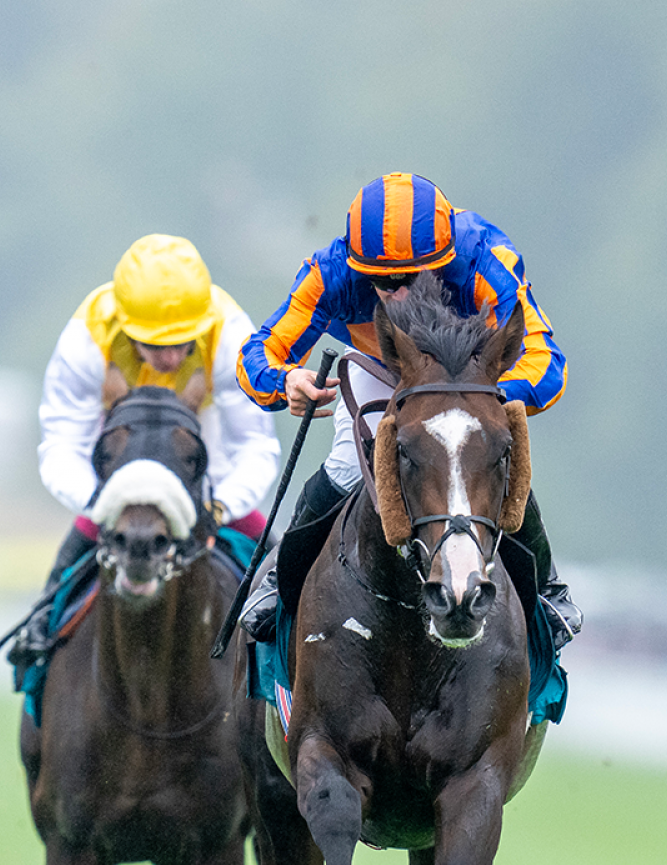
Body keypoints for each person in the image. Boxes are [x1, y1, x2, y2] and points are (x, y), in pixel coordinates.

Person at [235, 172, 578, 644]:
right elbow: (260, 351)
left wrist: (480, 398)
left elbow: (546, 362)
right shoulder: (331, 271)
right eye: (381, 282)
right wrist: (284, 381)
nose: (395, 294)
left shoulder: (486, 259)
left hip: (469, 378)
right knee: (345, 466)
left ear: (444, 260)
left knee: (487, 456)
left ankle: (546, 590)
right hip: (382, 369)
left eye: (407, 279)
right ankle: (279, 583)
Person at [13, 234, 281, 667]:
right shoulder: (87, 337)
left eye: (184, 342)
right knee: (74, 551)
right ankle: (40, 632)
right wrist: (101, 501)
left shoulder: (231, 334)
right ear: (125, 322)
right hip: (121, 454)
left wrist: (220, 505)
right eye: (156, 345)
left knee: (280, 557)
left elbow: (255, 446)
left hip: (199, 442)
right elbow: (63, 444)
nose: (173, 358)